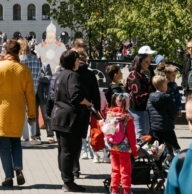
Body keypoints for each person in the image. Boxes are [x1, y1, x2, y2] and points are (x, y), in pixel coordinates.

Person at [0, 39, 36, 189]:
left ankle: (8, 177)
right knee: (16, 142)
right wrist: (32, 114)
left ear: (6, 51)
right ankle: (18, 166)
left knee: (4, 146)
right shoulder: (24, 70)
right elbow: (30, 95)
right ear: (18, 52)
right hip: (18, 111)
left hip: (1, 112)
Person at [50, 50, 91, 192]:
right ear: (73, 61)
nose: (79, 62)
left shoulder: (60, 74)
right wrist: (88, 103)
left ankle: (66, 179)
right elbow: (76, 95)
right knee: (69, 151)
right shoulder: (73, 75)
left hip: (59, 115)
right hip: (69, 118)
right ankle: (68, 182)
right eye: (78, 59)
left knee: (63, 150)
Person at [103, 92, 138, 194]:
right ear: (127, 103)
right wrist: (135, 152)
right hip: (124, 147)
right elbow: (132, 137)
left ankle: (114, 190)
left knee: (115, 170)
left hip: (112, 146)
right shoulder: (128, 117)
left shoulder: (109, 114)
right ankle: (126, 191)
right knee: (125, 171)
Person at [72, 47, 100, 175]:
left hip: (70, 108)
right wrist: (97, 110)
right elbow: (95, 93)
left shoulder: (70, 72)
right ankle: (75, 167)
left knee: (69, 140)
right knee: (78, 139)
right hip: (85, 109)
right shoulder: (90, 74)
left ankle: (71, 167)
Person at [147, 75, 179, 155]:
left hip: (155, 127)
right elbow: (173, 112)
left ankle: (158, 164)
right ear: (163, 85)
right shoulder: (167, 98)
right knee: (174, 146)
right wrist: (172, 119)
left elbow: (148, 110)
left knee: (156, 148)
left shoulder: (150, 98)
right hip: (167, 126)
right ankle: (172, 161)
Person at [19, 38, 43, 146]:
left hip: (21, 91)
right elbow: (39, 74)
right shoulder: (35, 59)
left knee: (23, 115)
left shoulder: (20, 60)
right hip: (34, 89)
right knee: (31, 113)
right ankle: (33, 136)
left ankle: (26, 139)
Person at [126, 53, 154, 139]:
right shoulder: (134, 75)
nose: (148, 64)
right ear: (140, 62)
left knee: (144, 134)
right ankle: (138, 152)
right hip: (137, 109)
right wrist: (152, 96)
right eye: (146, 62)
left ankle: (142, 152)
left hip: (143, 108)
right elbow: (138, 94)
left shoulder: (142, 75)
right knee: (141, 135)